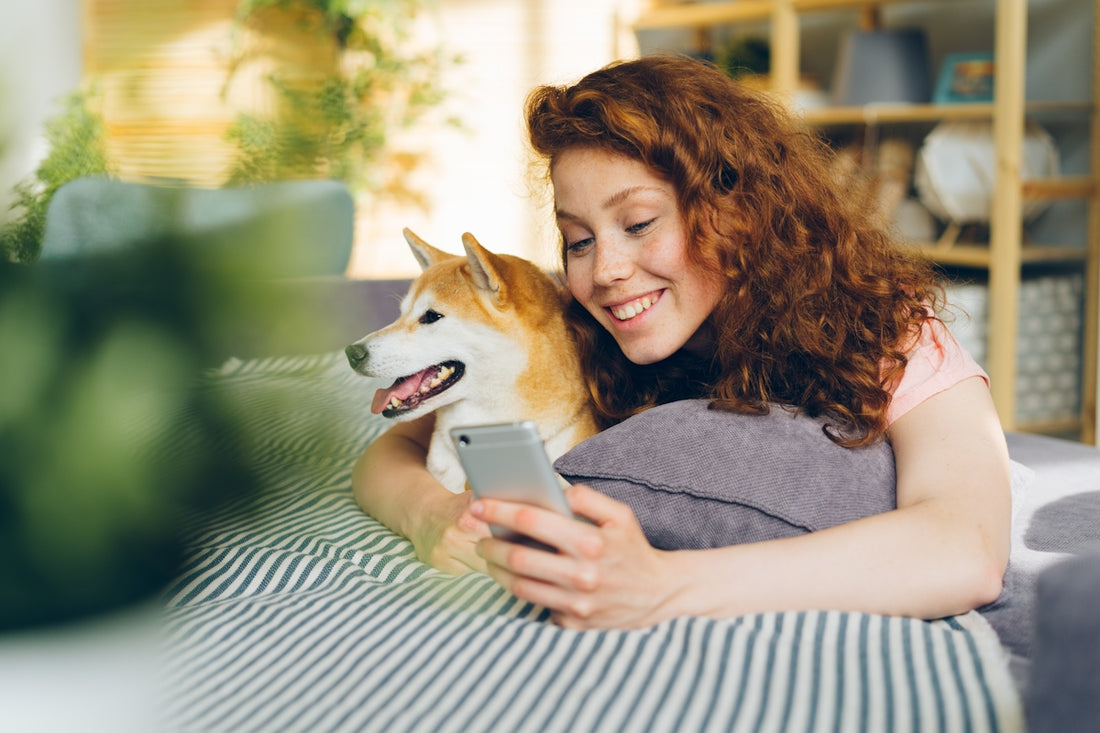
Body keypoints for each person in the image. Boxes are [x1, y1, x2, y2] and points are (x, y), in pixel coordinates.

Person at [352, 54, 1011, 630]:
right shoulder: (578, 325)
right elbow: (393, 452)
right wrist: (432, 513)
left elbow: (967, 545)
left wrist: (663, 586)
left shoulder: (885, 327)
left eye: (638, 223)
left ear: (732, 210)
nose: (604, 269)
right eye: (578, 240)